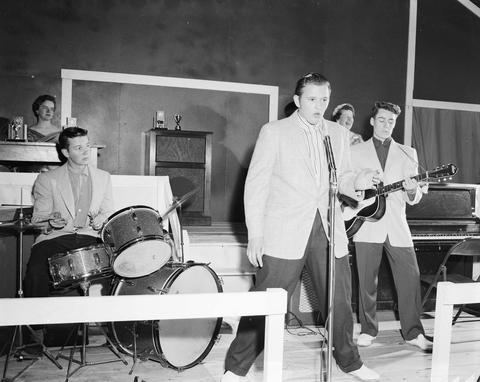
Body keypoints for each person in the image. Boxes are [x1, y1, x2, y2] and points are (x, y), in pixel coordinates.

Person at [222, 73, 380, 382]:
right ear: (297, 101)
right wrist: (255, 233)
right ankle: (236, 369)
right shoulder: (274, 132)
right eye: (312, 99)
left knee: (339, 301)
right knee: (266, 301)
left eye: (324, 100)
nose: (319, 105)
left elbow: (343, 178)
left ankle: (349, 362)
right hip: (284, 230)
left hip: (327, 227)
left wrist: (359, 181)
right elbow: (256, 185)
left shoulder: (336, 133)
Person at [350, 101, 432, 351]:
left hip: (397, 225)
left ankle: (413, 333)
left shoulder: (409, 152)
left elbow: (417, 195)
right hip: (365, 223)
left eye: (391, 121)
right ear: (372, 121)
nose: (387, 125)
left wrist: (411, 190)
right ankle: (368, 329)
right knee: (367, 282)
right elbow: (348, 187)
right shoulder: (354, 151)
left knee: (410, 277)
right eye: (382, 120)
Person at [23, 127, 113, 337]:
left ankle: (114, 332)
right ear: (65, 152)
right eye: (79, 147)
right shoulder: (47, 179)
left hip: (90, 236)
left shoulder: (103, 177)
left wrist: (100, 220)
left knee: (117, 268)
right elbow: (38, 218)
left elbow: (108, 210)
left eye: (87, 146)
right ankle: (35, 334)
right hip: (56, 236)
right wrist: (51, 220)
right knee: (35, 272)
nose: (86, 151)